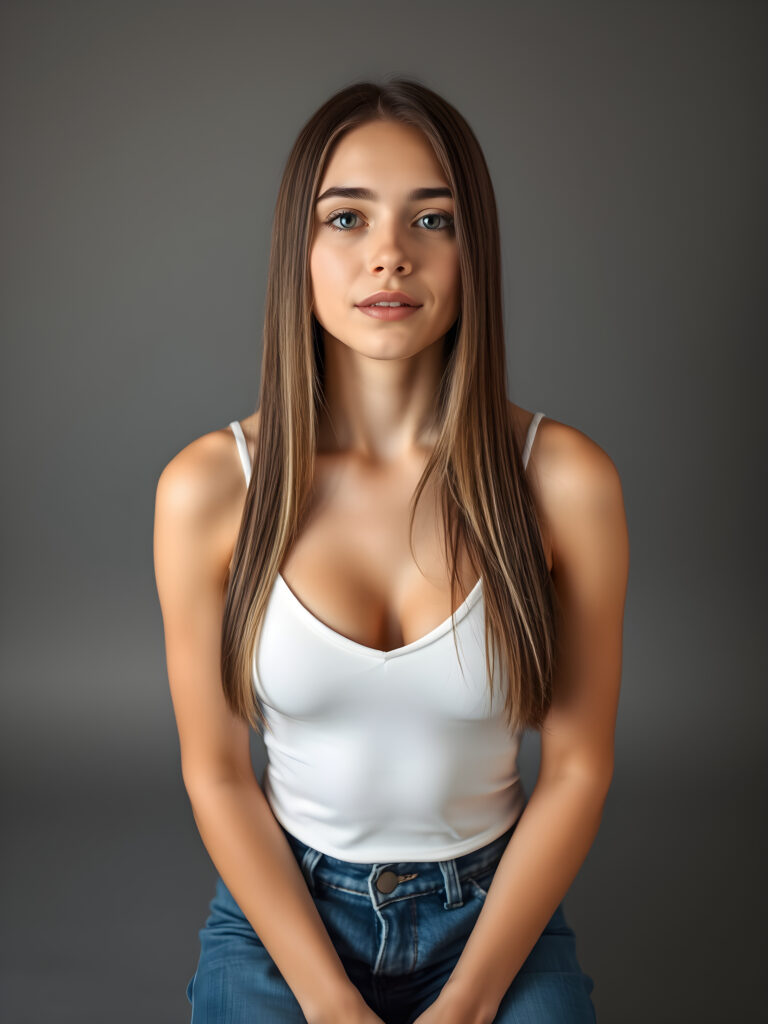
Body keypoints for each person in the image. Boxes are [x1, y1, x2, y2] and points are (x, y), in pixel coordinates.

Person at [153, 77, 629, 1024]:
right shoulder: (210, 489)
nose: (389, 256)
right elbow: (214, 771)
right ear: (301, 248)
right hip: (282, 919)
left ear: (472, 250)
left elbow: (578, 766)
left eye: (433, 219)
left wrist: (471, 1001)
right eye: (346, 218)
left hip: (495, 913)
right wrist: (328, 1003)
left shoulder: (566, 482)